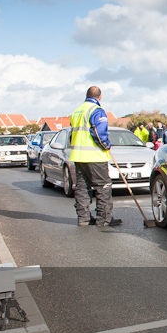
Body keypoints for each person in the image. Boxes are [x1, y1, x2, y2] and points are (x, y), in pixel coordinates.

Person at [68, 86, 121, 227]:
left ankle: (83, 218)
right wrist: (106, 145)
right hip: (95, 156)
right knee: (103, 187)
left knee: (82, 188)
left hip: (79, 156)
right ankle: (103, 219)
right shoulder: (96, 111)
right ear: (100, 96)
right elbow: (99, 132)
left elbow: (72, 134)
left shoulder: (76, 111)